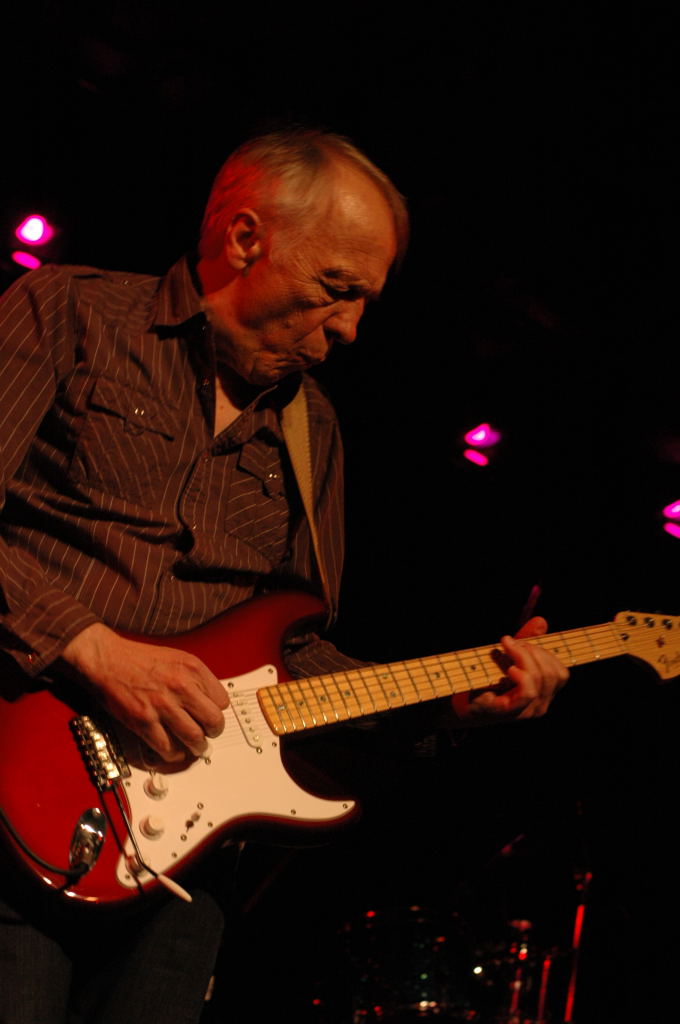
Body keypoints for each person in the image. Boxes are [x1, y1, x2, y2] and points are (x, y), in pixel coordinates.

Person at [0, 128, 568, 1023]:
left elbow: (292, 655)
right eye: (337, 288)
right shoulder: (68, 312)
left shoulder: (315, 428)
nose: (349, 328)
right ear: (244, 239)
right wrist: (91, 647)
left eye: (365, 302)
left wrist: (453, 702)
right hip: (17, 788)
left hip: (186, 860)